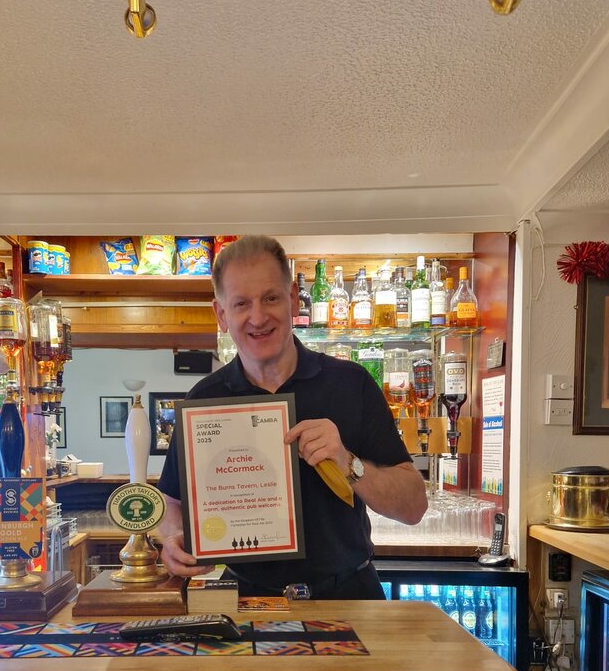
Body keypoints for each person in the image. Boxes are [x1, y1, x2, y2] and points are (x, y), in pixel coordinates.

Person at [156, 235, 427, 599]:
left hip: (350, 597)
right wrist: (173, 537)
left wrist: (347, 461)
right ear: (221, 315)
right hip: (248, 600)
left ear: (293, 300)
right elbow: (172, 502)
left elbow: (414, 507)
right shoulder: (204, 400)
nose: (258, 317)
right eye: (241, 303)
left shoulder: (351, 384)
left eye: (270, 298)